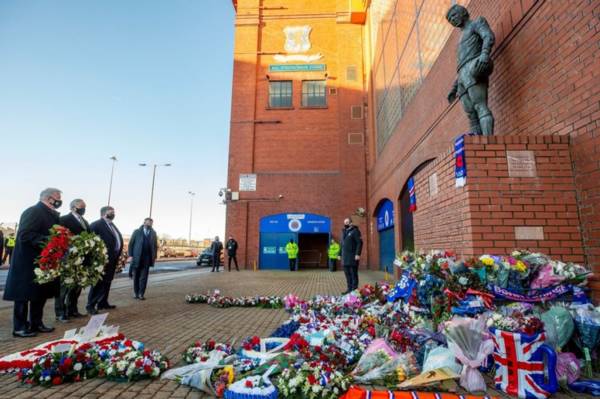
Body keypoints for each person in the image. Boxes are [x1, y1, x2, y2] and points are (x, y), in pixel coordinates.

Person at [3, 188, 62, 337]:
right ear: (49, 198)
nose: (59, 200)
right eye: (57, 198)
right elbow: (25, 234)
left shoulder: (51, 214)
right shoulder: (34, 211)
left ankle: (36, 323)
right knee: (23, 296)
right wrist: (49, 241)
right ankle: (20, 327)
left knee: (39, 294)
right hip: (27, 262)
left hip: (42, 261)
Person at [446, 4, 496, 136]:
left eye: (453, 15)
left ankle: (489, 144)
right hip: (462, 76)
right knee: (471, 115)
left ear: (463, 12)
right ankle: (479, 148)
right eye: (450, 19)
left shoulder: (476, 23)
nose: (452, 20)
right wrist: (454, 87)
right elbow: (461, 64)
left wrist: (485, 54)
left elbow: (488, 36)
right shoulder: (460, 38)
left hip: (474, 66)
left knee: (480, 106)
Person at [55, 199, 89, 321]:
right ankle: (60, 312)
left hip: (81, 259)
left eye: (85, 207)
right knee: (64, 286)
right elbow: (59, 237)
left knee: (77, 286)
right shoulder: (63, 219)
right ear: (73, 207)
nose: (84, 209)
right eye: (81, 207)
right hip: (67, 258)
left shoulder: (85, 222)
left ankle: (72, 309)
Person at [87, 206, 123, 315]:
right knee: (98, 283)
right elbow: (90, 241)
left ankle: (103, 302)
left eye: (114, 212)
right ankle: (91, 305)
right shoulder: (96, 224)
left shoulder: (112, 225)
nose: (113, 214)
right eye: (111, 212)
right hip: (101, 260)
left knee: (107, 282)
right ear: (103, 213)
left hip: (112, 259)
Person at [127, 218, 158, 300]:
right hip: (137, 257)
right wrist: (130, 255)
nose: (150, 224)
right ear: (144, 222)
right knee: (136, 276)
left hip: (147, 258)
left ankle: (141, 294)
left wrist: (154, 256)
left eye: (151, 223)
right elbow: (131, 244)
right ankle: (136, 293)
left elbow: (155, 246)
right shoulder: (137, 232)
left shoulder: (153, 233)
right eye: (148, 223)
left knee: (144, 277)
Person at [340, 217, 362, 294]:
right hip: (345, 257)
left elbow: (359, 243)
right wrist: (340, 254)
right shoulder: (344, 232)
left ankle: (354, 290)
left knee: (353, 274)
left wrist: (357, 254)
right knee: (347, 274)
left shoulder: (355, 231)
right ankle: (349, 289)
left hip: (353, 257)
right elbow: (341, 244)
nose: (345, 224)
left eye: (347, 222)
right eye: (344, 222)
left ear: (351, 223)